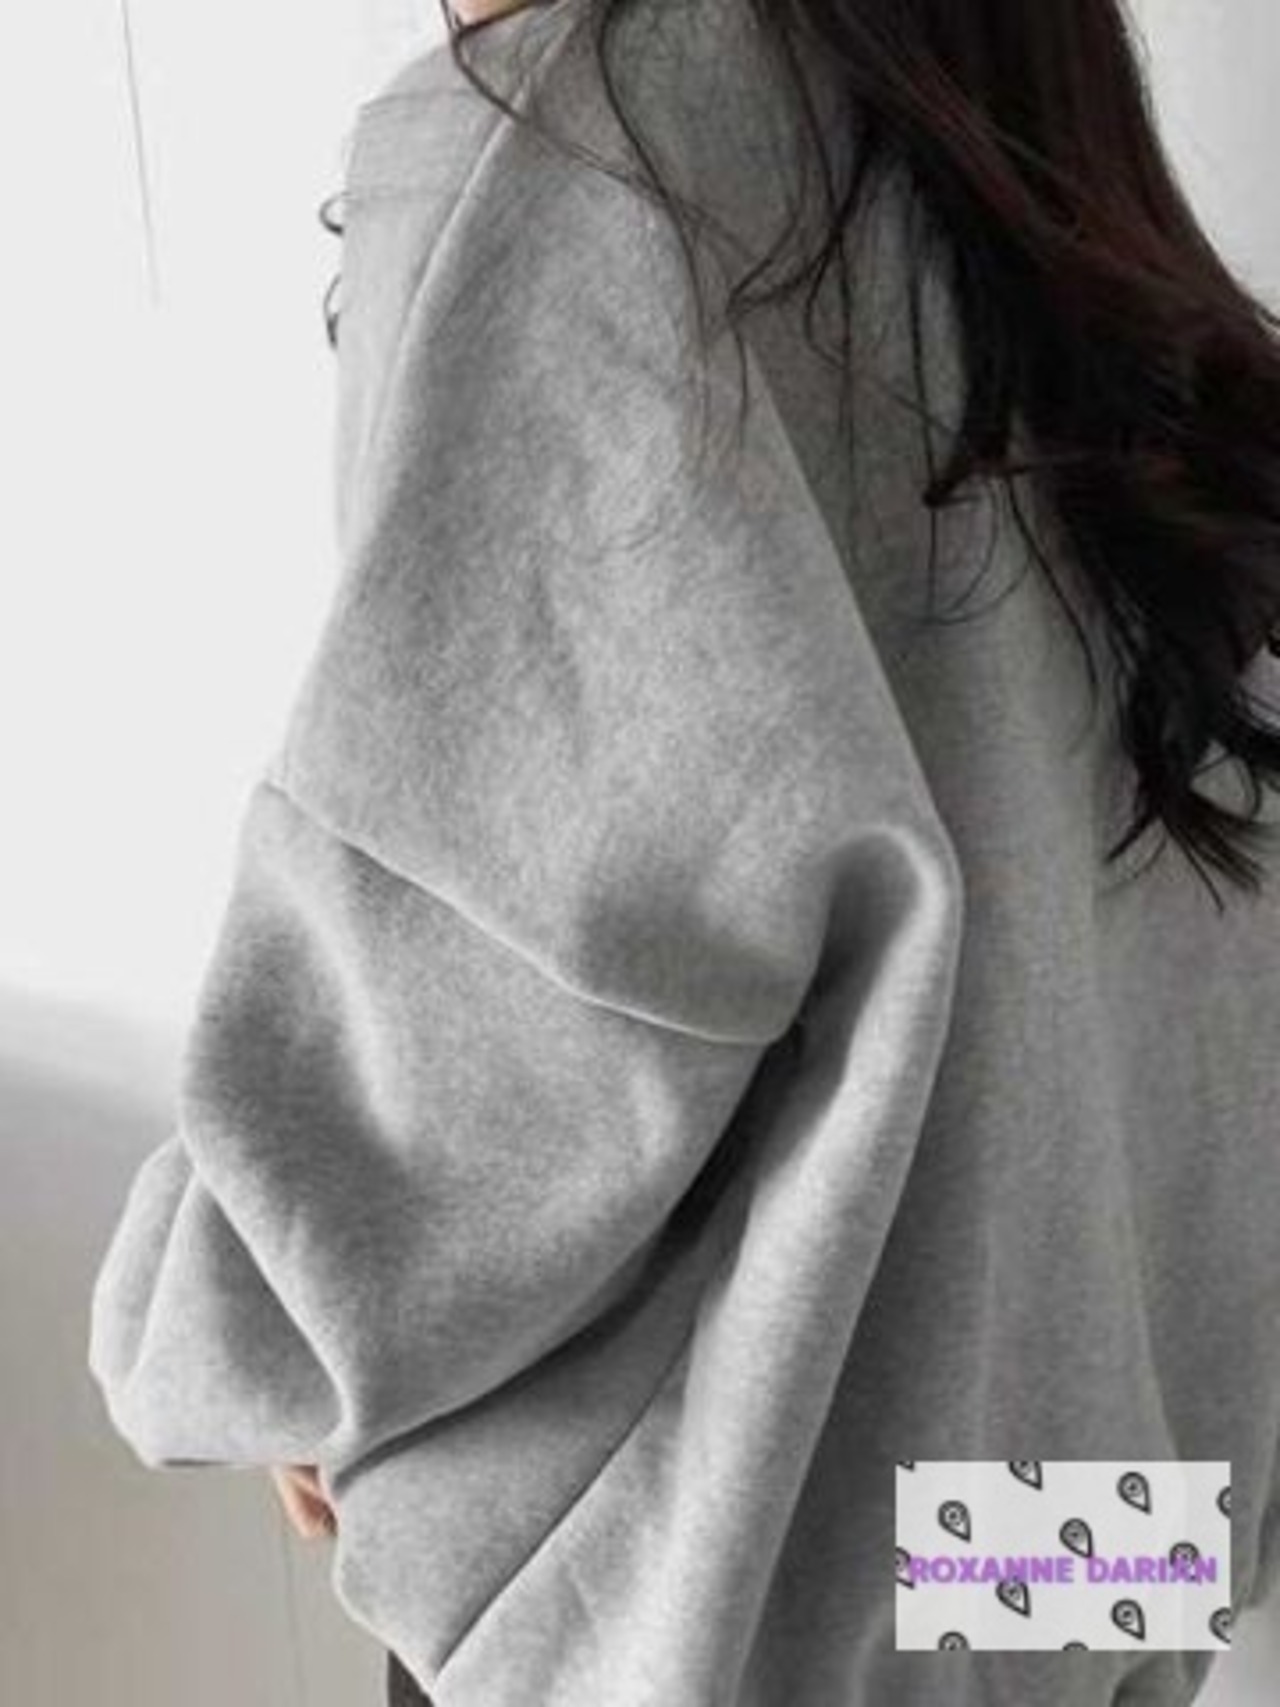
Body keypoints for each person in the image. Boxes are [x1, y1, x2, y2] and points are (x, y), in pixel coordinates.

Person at [87, 0, 1280, 1702]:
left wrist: (267, 1324)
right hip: (1104, 1547)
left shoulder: (587, 152)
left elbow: (510, 953)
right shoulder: (1027, 114)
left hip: (748, 1584)